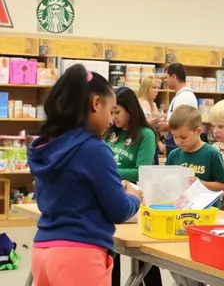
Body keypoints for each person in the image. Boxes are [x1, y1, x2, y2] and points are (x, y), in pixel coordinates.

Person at [28, 64, 142, 286]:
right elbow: (119, 210)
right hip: (79, 254)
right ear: (96, 103)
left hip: (42, 250)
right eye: (110, 111)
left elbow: (46, 200)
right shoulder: (94, 149)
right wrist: (134, 198)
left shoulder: (48, 146)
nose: (111, 121)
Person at [106, 87, 162, 286]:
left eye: (117, 112)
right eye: (110, 112)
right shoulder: (110, 133)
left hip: (136, 200)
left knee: (142, 257)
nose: (113, 118)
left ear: (130, 109)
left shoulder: (145, 134)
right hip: (111, 198)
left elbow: (142, 171)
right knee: (111, 253)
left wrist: (108, 172)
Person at [166, 106, 224, 202]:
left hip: (206, 211)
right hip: (179, 209)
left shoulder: (212, 154)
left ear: (198, 131)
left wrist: (200, 183)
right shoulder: (174, 155)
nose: (178, 142)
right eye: (175, 137)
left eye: (183, 137)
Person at [160, 63, 197, 155]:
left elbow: (181, 122)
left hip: (178, 142)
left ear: (173, 77)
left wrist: (161, 126)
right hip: (175, 141)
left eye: (167, 77)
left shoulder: (184, 97)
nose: (165, 80)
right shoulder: (181, 95)